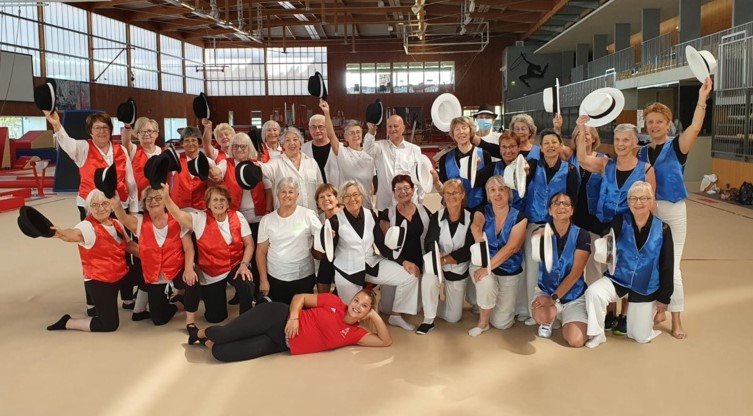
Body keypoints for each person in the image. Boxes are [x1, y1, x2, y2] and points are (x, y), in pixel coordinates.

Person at [636, 78, 712, 339]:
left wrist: (702, 99)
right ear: (645, 126)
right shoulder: (641, 153)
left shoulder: (677, 146)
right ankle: (658, 310)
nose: (654, 126)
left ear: (668, 124)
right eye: (650, 122)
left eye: (659, 121)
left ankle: (676, 319)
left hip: (674, 210)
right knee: (652, 261)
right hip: (648, 212)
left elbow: (696, 126)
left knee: (673, 265)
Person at [45, 110, 138, 315]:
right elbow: (66, 142)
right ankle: (93, 301)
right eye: (97, 127)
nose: (102, 131)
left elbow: (131, 182)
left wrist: (133, 209)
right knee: (92, 251)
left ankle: (128, 297)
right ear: (90, 131)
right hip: (92, 208)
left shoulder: (121, 149)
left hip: (118, 206)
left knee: (123, 249)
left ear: (110, 130)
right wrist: (56, 125)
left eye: (105, 127)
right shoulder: (82, 148)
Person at [577, 121, 656, 332]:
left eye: (626, 140)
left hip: (630, 230)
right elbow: (582, 159)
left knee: (626, 270)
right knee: (604, 270)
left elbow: (652, 205)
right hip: (603, 227)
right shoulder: (606, 164)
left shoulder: (646, 169)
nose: (621, 144)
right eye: (617, 140)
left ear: (635, 142)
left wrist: (647, 235)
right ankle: (609, 312)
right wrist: (583, 129)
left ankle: (625, 314)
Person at [585, 181, 674, 348]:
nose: (638, 203)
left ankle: (645, 324)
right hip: (620, 279)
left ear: (651, 201)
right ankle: (597, 334)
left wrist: (664, 300)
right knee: (593, 293)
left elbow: (667, 266)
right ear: (628, 202)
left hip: (645, 285)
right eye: (633, 199)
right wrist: (606, 239)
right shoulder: (620, 221)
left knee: (639, 337)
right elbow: (607, 232)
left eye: (643, 198)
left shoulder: (663, 229)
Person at [186, 290, 392, 363]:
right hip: (277, 316)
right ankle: (198, 333)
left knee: (223, 353)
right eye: (357, 301)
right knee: (224, 335)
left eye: (364, 307)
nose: (357, 307)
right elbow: (299, 297)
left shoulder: (355, 333)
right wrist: (294, 317)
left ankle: (208, 342)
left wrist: (375, 316)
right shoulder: (333, 301)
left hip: (281, 343)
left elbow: (385, 341)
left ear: (367, 313)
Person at [327, 180, 420, 331]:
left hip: (371, 264)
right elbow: (327, 252)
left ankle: (396, 315)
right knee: (352, 320)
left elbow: (381, 245)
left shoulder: (370, 213)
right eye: (347, 196)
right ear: (342, 200)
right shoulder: (335, 221)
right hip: (348, 272)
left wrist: (403, 262)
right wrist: (328, 238)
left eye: (355, 194)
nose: (352, 199)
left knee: (410, 275)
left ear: (362, 196)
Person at [46, 190, 137, 332]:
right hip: (100, 280)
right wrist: (62, 233)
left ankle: (140, 310)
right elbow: (73, 234)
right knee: (108, 324)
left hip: (121, 273)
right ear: (89, 209)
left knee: (149, 272)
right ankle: (68, 322)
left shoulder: (116, 223)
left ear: (112, 206)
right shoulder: (86, 227)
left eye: (105, 203)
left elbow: (130, 245)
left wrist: (156, 257)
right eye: (95, 205)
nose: (101, 208)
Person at [162, 184, 255, 323]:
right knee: (215, 318)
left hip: (235, 265)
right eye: (215, 200)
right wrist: (166, 197)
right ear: (208, 204)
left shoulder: (238, 216)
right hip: (212, 273)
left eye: (222, 199)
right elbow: (179, 215)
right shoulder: (200, 218)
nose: (219, 203)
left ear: (228, 202)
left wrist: (244, 265)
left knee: (246, 282)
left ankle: (247, 320)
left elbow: (249, 244)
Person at [110, 187, 200, 327]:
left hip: (176, 269)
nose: (153, 202)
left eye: (158, 198)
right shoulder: (140, 222)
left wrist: (189, 268)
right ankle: (176, 304)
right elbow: (124, 218)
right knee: (158, 320)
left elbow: (189, 248)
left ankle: (190, 322)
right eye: (149, 199)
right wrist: (117, 206)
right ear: (144, 203)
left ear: (165, 201)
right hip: (154, 275)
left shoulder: (177, 220)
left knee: (192, 281)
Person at [521, 128, 579, 325]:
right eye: (546, 143)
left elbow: (574, 200)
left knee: (554, 269)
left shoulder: (570, 170)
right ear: (540, 147)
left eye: (554, 142)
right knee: (532, 269)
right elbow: (520, 186)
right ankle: (534, 310)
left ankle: (557, 311)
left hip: (558, 226)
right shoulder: (531, 165)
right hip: (533, 224)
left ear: (560, 145)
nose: (550, 146)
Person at [468, 176, 527, 336]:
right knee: (485, 282)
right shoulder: (482, 211)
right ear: (488, 194)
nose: (497, 194)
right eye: (492, 190)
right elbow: (477, 224)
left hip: (508, 269)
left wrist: (488, 268)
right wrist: (477, 233)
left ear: (509, 192)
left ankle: (492, 306)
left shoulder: (520, 217)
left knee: (502, 324)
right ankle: (483, 322)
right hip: (483, 265)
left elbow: (512, 248)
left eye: (501, 189)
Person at [530, 193, 589, 347]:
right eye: (556, 203)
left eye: (566, 204)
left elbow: (576, 273)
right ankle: (551, 318)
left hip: (573, 296)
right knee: (540, 316)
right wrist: (537, 236)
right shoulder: (541, 232)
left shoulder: (582, 235)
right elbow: (534, 239)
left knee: (575, 341)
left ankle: (564, 316)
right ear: (550, 210)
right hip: (546, 290)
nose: (561, 206)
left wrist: (553, 299)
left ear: (571, 211)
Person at [417, 179, 475, 335]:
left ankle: (431, 303)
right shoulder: (437, 216)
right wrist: (437, 260)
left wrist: (445, 260)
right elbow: (430, 241)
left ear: (462, 195)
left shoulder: (471, 217)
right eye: (447, 193)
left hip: (458, 267)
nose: (451, 196)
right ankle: (428, 319)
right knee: (429, 275)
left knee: (452, 317)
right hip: (437, 262)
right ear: (443, 196)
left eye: (455, 192)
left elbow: (469, 248)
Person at [377, 175, 431, 331]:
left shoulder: (423, 210)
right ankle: (385, 305)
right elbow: (385, 247)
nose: (402, 192)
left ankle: (399, 312)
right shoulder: (388, 213)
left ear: (413, 190)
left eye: (406, 188)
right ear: (394, 193)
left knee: (417, 307)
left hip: (419, 263)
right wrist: (402, 262)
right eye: (398, 189)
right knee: (387, 308)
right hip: (396, 263)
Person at [256, 178, 322, 305]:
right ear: (277, 194)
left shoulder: (308, 215)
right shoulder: (267, 220)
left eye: (291, 192)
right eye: (283, 192)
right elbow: (261, 252)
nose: (287, 195)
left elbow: (323, 238)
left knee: (302, 317)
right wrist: (263, 280)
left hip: (303, 276)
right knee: (280, 315)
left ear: (297, 195)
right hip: (276, 277)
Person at [319, 100, 375, 209]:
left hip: (366, 206)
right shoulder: (342, 152)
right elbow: (331, 135)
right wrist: (326, 112)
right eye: (352, 133)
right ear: (346, 137)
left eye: (358, 132)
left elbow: (370, 183)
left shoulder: (368, 156)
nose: (356, 135)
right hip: (347, 206)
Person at [363, 114, 426, 210]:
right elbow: (367, 149)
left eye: (396, 126)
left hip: (410, 203)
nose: (392, 129)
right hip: (386, 205)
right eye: (390, 126)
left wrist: (419, 201)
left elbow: (420, 178)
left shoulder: (414, 150)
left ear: (403, 128)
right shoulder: (380, 147)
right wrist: (372, 131)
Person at [435, 116, 493, 211]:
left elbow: (488, 184)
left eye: (464, 128)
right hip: (453, 208)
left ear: (471, 131)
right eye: (457, 129)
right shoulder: (444, 159)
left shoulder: (484, 155)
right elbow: (443, 188)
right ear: (453, 134)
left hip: (479, 208)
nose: (461, 132)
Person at [261, 127, 323, 212]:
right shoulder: (275, 162)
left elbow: (320, 187)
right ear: (283, 144)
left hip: (311, 215)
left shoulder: (311, 162)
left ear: (301, 143)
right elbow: (264, 169)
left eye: (295, 139)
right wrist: (256, 165)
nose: (292, 143)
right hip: (286, 218)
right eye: (287, 140)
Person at [169, 127, 218, 212]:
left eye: (193, 140)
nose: (190, 143)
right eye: (187, 140)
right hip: (179, 210)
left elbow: (211, 188)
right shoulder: (175, 160)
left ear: (199, 142)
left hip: (201, 210)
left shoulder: (208, 162)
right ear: (182, 143)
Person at [121, 117, 162, 199]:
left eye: (149, 131)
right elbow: (125, 141)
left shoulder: (162, 151)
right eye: (142, 131)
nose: (146, 134)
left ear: (156, 134)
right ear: (137, 135)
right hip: (138, 201)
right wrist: (127, 126)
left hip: (158, 200)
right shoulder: (133, 150)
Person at [314, 183, 340, 294]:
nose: (326, 199)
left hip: (346, 258)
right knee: (324, 271)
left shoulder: (345, 214)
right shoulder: (317, 220)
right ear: (318, 204)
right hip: (328, 258)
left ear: (337, 198)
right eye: (321, 197)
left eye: (329, 195)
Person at [302, 113, 339, 185]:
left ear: (327, 128)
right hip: (312, 193)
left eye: (321, 127)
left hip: (335, 192)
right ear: (309, 129)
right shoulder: (303, 149)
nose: (317, 130)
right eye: (313, 127)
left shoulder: (337, 147)